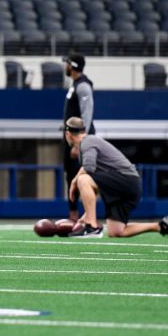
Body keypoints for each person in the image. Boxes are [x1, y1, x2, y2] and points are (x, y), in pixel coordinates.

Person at [63, 117, 168, 239]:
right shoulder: (88, 143)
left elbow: (89, 168)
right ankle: (160, 226)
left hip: (126, 180)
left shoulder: (88, 141)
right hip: (129, 184)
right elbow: (95, 185)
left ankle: (92, 227)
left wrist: (74, 182)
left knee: (83, 179)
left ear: (68, 134)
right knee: (116, 231)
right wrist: (86, 215)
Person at [62, 53, 95, 221]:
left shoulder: (83, 86)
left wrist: (79, 144)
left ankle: (88, 216)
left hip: (79, 141)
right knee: (71, 176)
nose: (65, 67)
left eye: (67, 63)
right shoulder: (74, 85)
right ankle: (74, 215)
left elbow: (86, 114)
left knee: (82, 177)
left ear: (72, 65)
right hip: (71, 140)